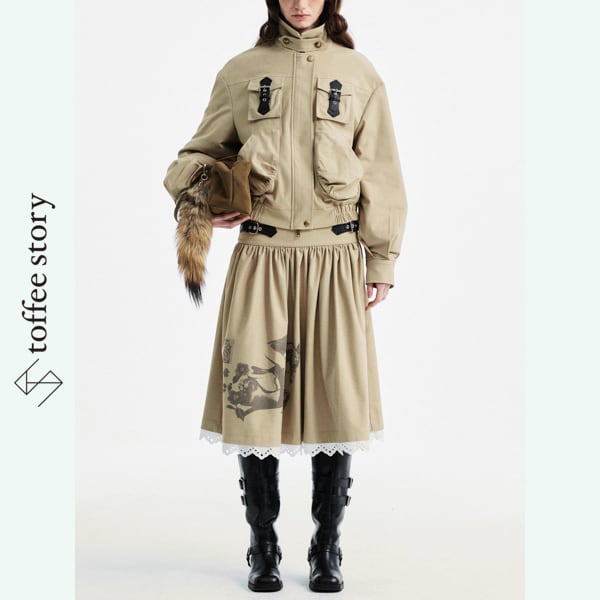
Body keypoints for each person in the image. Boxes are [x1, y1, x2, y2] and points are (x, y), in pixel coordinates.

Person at [163, 0, 407, 593]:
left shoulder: (359, 74)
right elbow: (193, 157)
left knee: (338, 400)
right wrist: (204, 198)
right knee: (255, 399)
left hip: (336, 259)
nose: (300, 3)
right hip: (262, 257)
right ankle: (263, 545)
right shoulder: (242, 71)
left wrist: (381, 259)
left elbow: (381, 174)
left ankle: (327, 547)